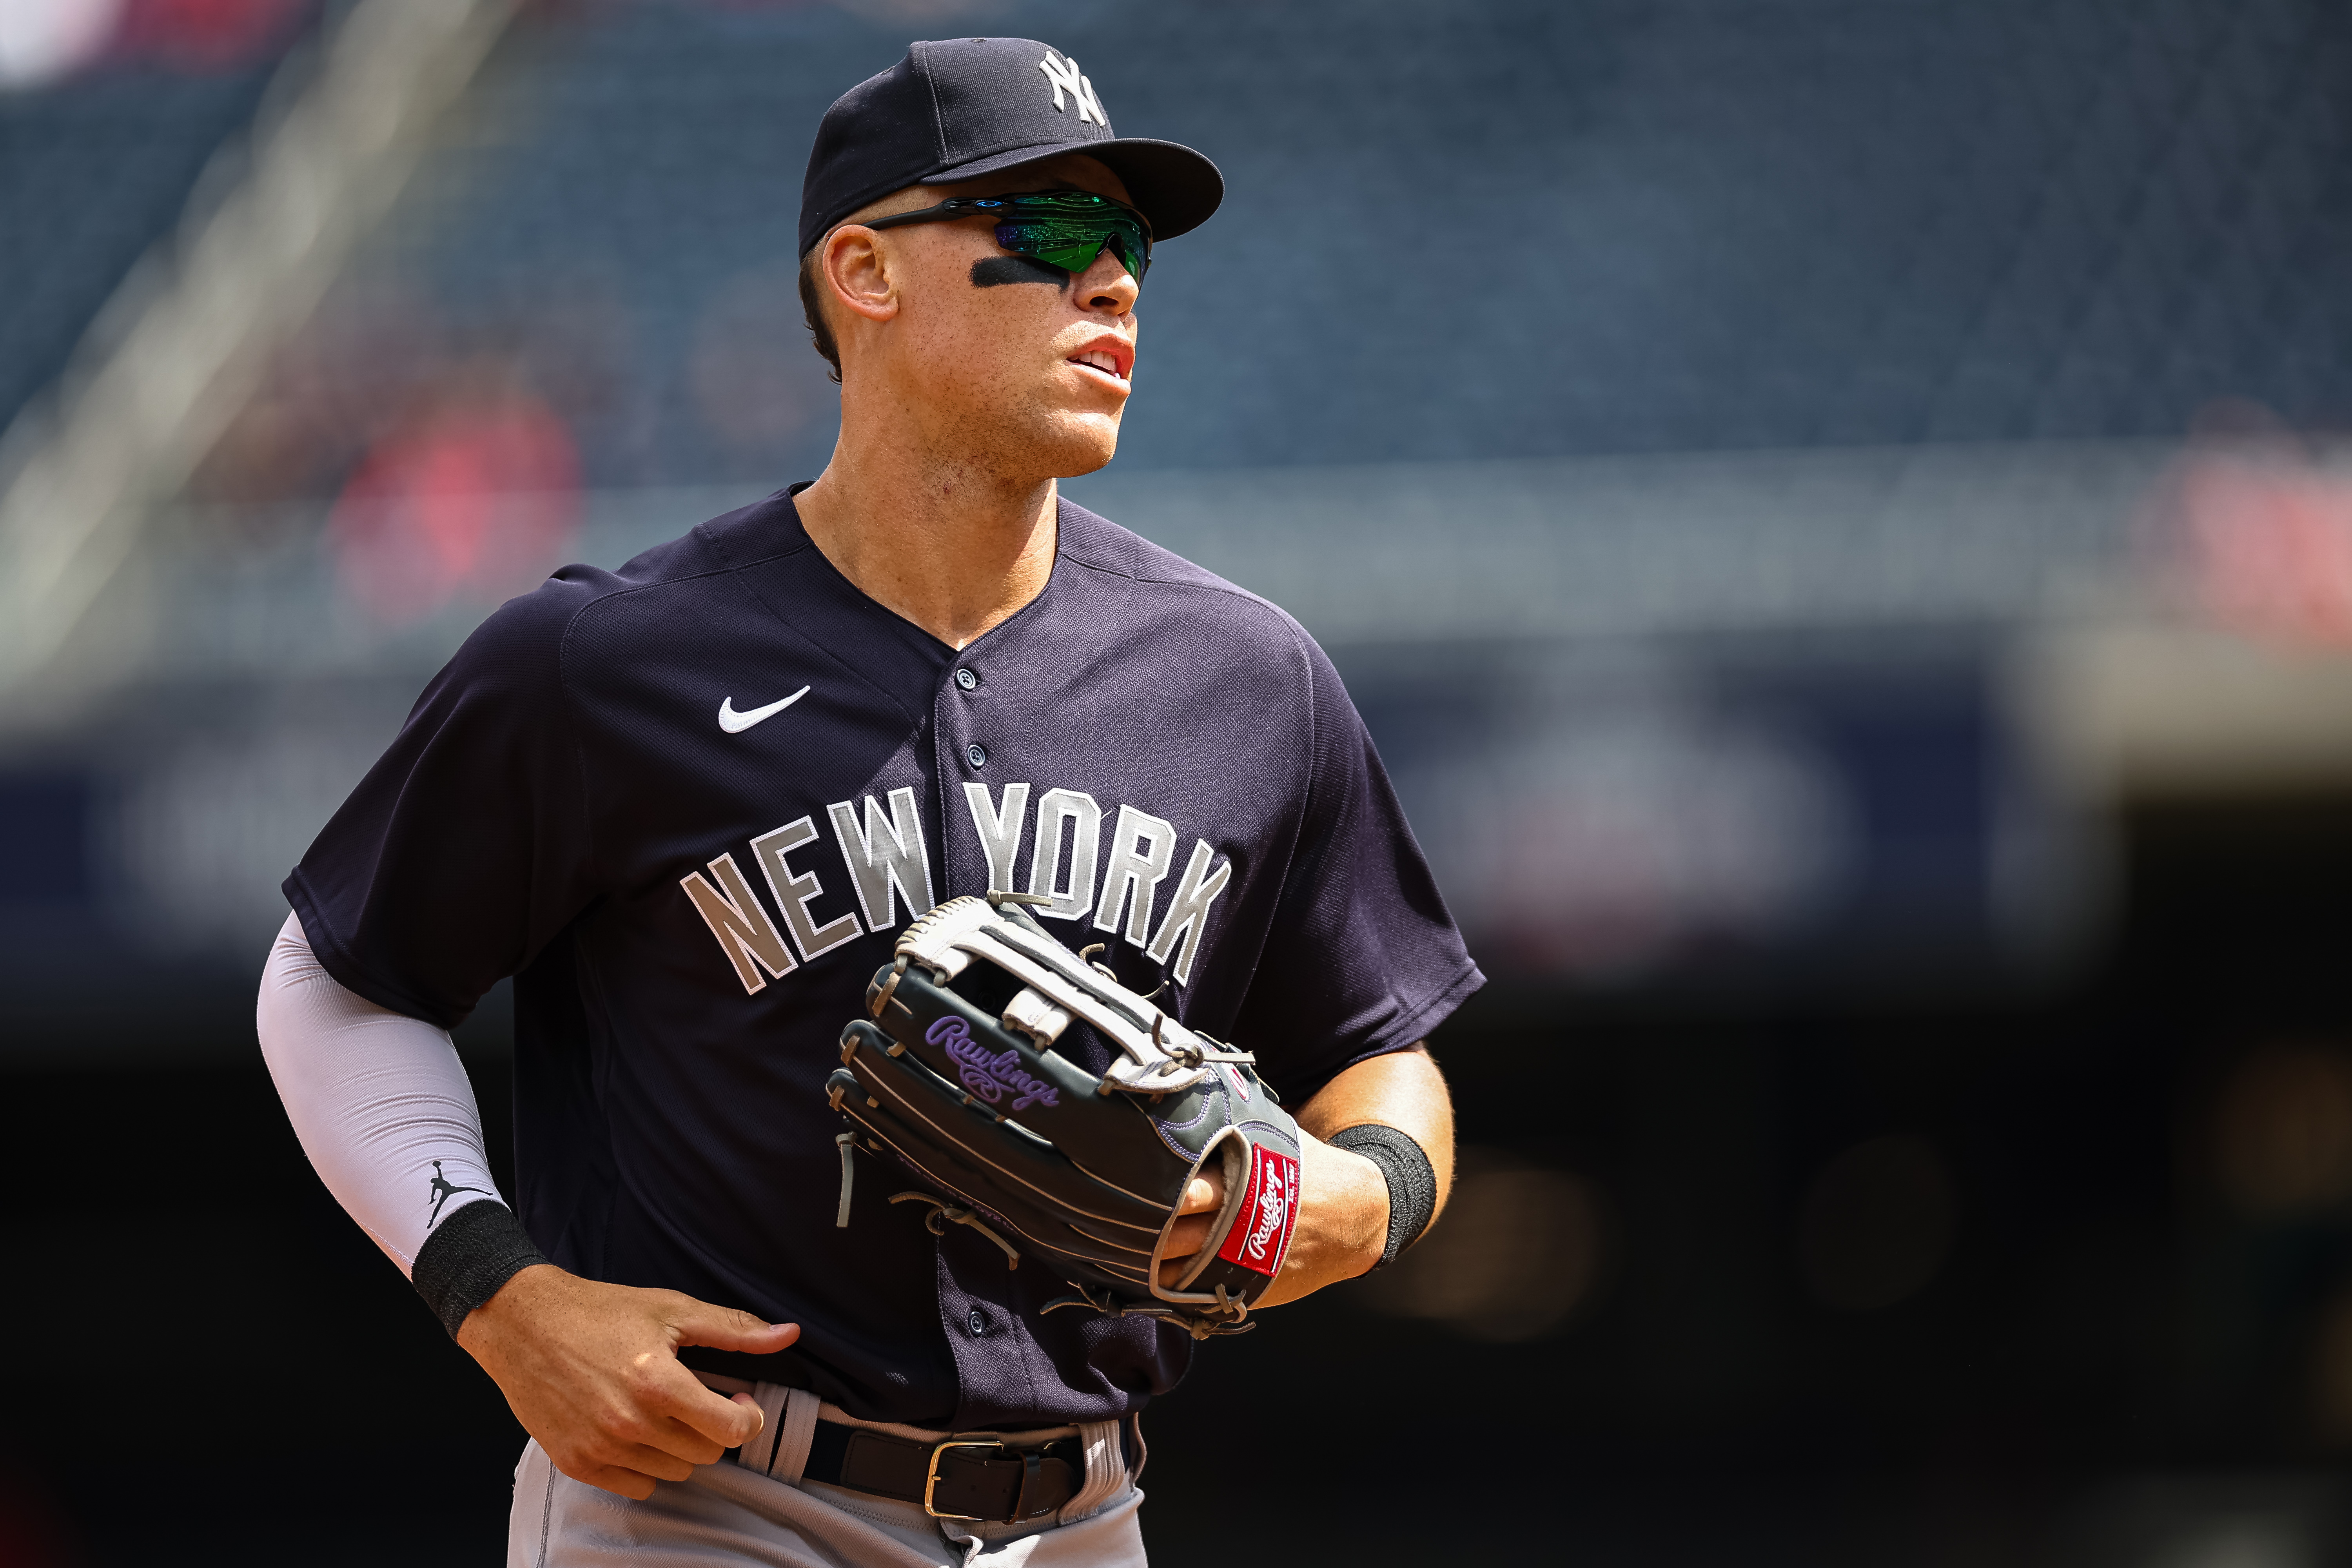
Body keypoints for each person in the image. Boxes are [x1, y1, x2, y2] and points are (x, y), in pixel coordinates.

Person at [257, 36, 1481, 1566]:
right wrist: (496, 1290)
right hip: (708, 1495)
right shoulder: (601, 663)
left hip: (1085, 1511)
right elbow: (334, 978)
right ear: (864, 271)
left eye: (1128, 247)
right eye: (1041, 236)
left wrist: (1368, 1193)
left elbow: (1383, 1042)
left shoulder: (1247, 678)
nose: (1109, 286)